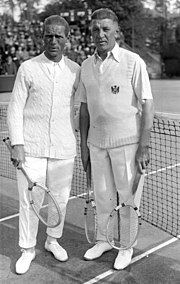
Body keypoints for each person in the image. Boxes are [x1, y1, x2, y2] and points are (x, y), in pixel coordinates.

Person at [78, 8, 154, 270]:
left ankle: (126, 246)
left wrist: (143, 146)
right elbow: (85, 109)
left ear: (116, 32)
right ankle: (103, 240)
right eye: (96, 30)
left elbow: (147, 104)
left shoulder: (134, 62)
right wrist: (84, 146)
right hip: (96, 144)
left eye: (105, 29)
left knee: (128, 199)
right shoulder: (86, 66)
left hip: (127, 144)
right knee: (102, 195)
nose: (100, 34)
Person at [7, 15, 80, 274]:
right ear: (42, 37)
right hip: (31, 149)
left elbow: (83, 108)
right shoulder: (27, 68)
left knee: (59, 199)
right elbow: (15, 108)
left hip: (63, 149)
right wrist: (17, 143)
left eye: (59, 36)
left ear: (67, 40)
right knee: (30, 201)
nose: (53, 40)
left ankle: (52, 240)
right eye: (49, 35)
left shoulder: (76, 71)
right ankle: (27, 249)